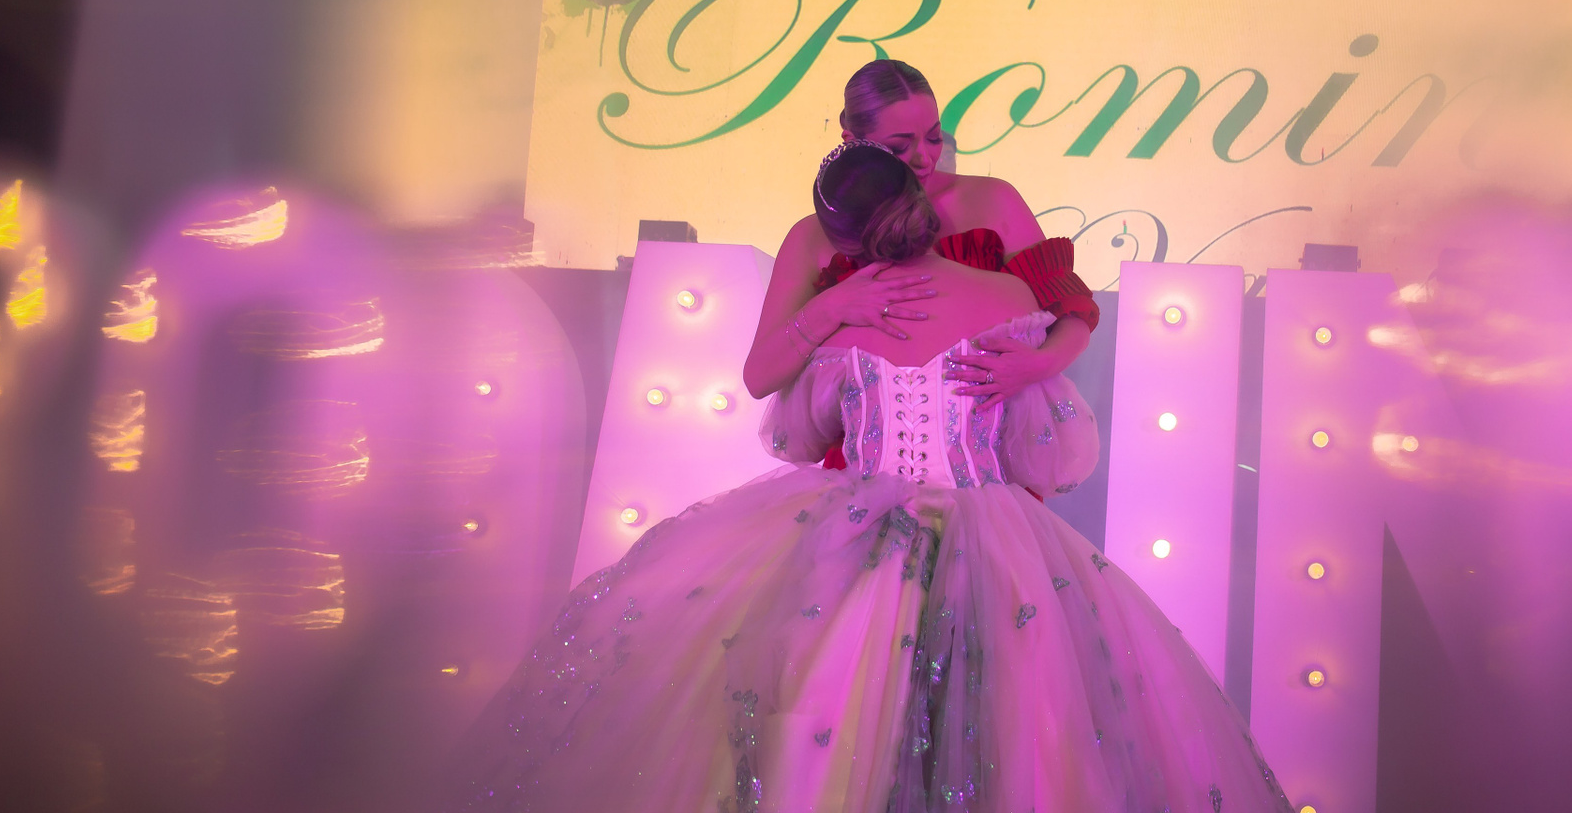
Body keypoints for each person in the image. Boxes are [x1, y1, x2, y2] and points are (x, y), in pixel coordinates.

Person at [445, 143, 1294, 813]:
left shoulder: (844, 321)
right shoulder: (1008, 300)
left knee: (828, 708)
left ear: (845, 241)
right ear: (924, 208)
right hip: (995, 532)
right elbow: (1051, 451)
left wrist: (837, 332)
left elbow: (798, 435)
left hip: (854, 534)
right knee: (1011, 714)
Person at [742, 59, 1099, 416]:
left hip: (990, 437)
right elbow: (758, 379)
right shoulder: (811, 237)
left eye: (934, 138)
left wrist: (1038, 364)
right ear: (853, 141)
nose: (925, 158)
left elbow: (1072, 313)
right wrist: (831, 307)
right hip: (856, 447)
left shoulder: (993, 201)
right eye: (899, 146)